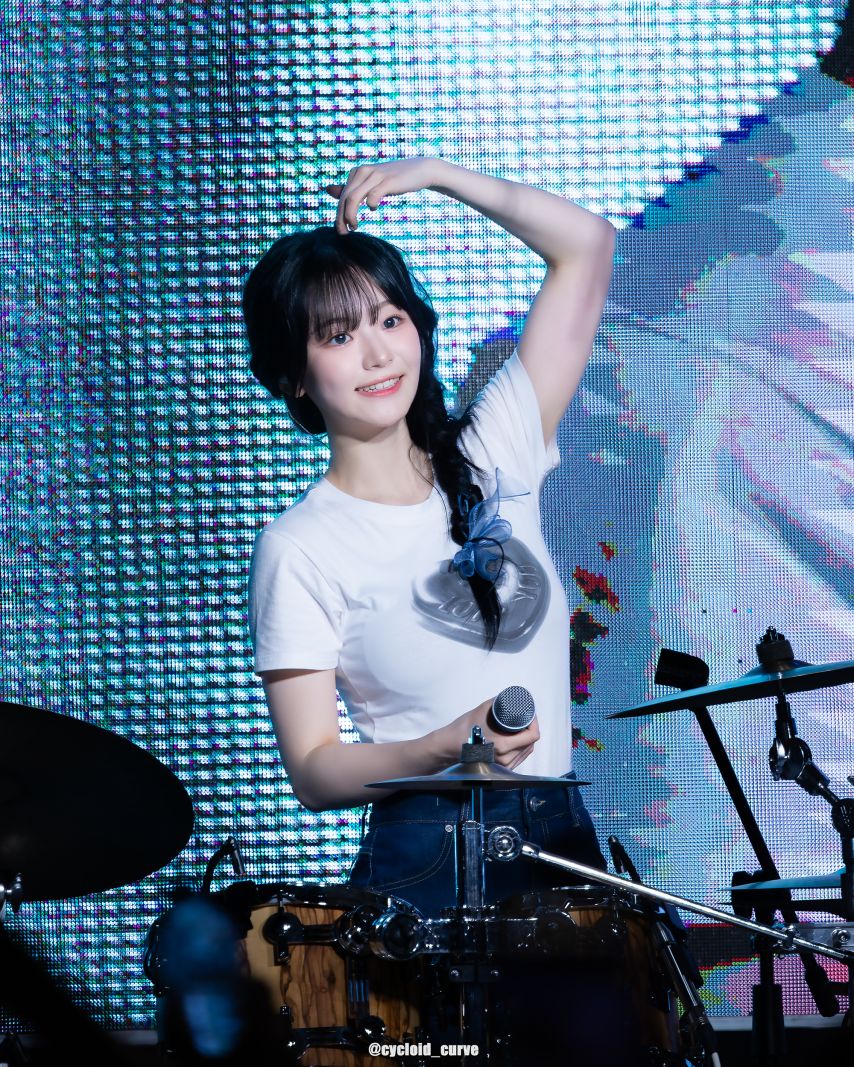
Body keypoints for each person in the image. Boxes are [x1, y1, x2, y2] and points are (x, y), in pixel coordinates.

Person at [244, 159, 652, 1064]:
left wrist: (437, 175)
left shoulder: (495, 450)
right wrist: (445, 747)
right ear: (295, 377)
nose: (378, 353)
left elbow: (587, 246)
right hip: (422, 858)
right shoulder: (300, 545)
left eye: (390, 319)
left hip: (557, 834)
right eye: (339, 335)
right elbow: (315, 769)